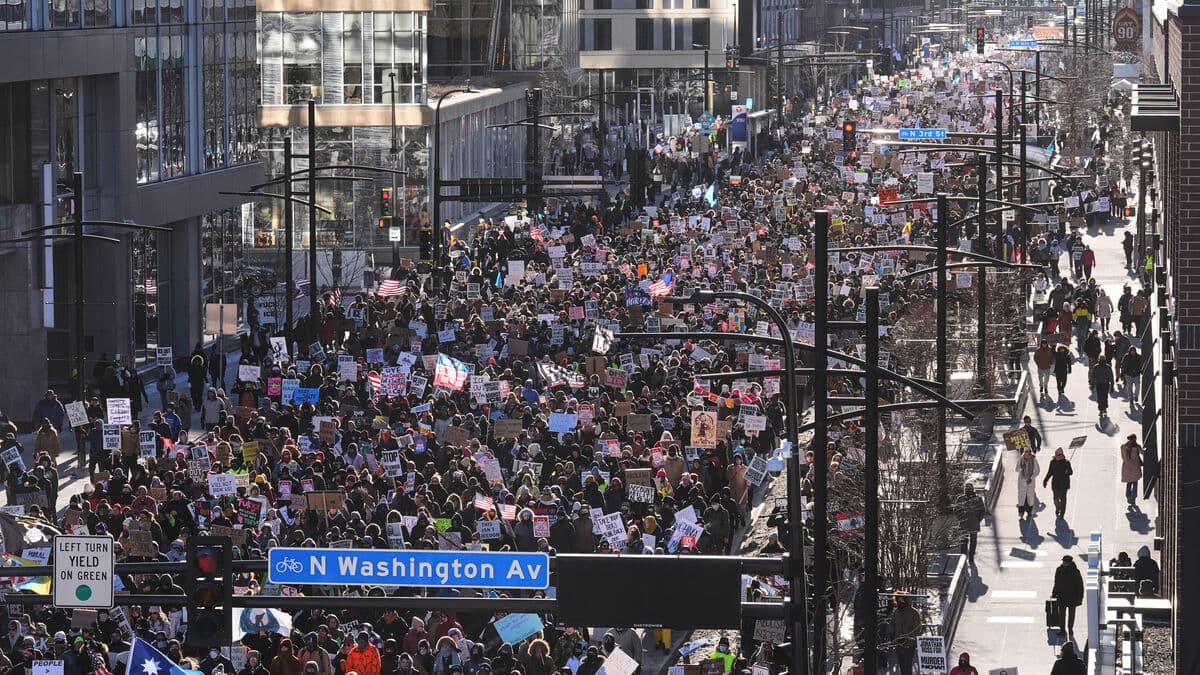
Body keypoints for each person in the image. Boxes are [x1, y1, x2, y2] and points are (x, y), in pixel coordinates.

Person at [888, 595, 922, 675]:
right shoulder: (896, 612)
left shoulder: (914, 612)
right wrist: (892, 634)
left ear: (906, 601)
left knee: (907, 666)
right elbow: (892, 624)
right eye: (898, 601)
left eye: (901, 601)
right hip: (899, 644)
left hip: (909, 645)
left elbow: (917, 629)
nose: (899, 603)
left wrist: (906, 638)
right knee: (902, 666)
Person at [1051, 556, 1084, 637]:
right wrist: (1054, 593)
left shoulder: (1075, 571)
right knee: (1062, 614)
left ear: (1069, 562)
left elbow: (1080, 585)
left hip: (1072, 597)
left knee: (1071, 614)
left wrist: (1080, 597)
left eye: (1065, 562)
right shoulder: (1059, 570)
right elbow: (1056, 582)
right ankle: (1062, 630)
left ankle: (1070, 628)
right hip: (1062, 596)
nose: (1063, 563)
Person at [954, 482, 986, 564]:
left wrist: (977, 519)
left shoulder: (976, 499)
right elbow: (956, 510)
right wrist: (961, 518)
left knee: (971, 540)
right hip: (966, 523)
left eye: (969, 488)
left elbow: (982, 511)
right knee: (966, 541)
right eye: (966, 488)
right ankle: (965, 557)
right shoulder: (961, 498)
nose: (967, 490)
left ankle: (969, 556)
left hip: (972, 522)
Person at [1043, 448, 1074, 520]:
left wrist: (1067, 469)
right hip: (1055, 484)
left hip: (1064, 484)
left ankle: (1062, 513)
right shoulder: (1052, 462)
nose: (1058, 456)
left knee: (1063, 499)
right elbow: (1050, 472)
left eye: (1060, 454)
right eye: (1057, 455)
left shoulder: (1066, 462)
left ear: (1062, 455)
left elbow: (1071, 473)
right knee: (1055, 499)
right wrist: (1045, 480)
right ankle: (1058, 507)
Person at [1016, 448, 1040, 521]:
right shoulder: (1020, 459)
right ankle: (1021, 512)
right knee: (1022, 497)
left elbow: (1037, 470)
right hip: (1022, 481)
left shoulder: (1034, 459)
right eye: (1026, 452)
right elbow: (1016, 469)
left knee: (1029, 497)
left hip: (1030, 481)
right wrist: (1020, 467)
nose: (1028, 453)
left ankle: (1029, 512)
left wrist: (1031, 477)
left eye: (1029, 451)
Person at [1120, 435, 1143, 506]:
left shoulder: (1123, 447)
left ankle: (1128, 496)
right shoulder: (1136, 447)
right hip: (1135, 467)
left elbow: (1123, 457)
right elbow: (1143, 453)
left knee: (1129, 482)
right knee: (1135, 483)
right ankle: (1133, 498)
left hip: (1127, 467)